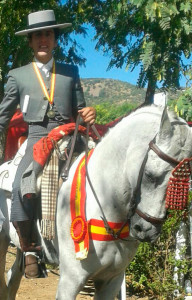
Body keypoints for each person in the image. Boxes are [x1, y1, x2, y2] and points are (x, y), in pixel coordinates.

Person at [0, 10, 96, 278]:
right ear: (30, 41)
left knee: (98, 175)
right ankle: (30, 249)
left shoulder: (70, 72)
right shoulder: (17, 75)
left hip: (69, 136)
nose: (43, 39)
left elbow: (81, 111)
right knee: (22, 184)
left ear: (55, 40)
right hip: (35, 138)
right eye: (38, 35)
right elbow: (3, 117)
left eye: (48, 34)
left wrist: (88, 114)